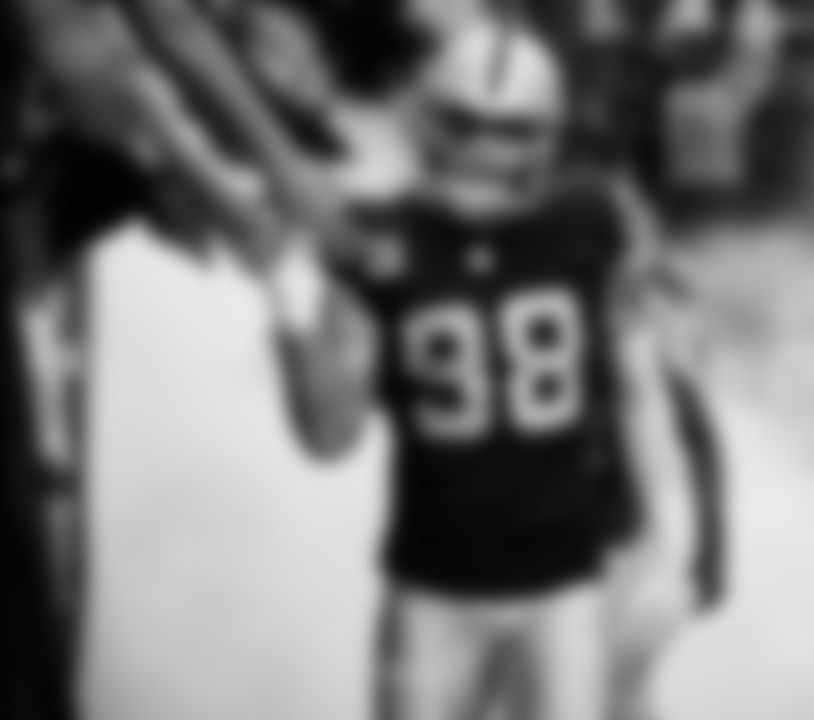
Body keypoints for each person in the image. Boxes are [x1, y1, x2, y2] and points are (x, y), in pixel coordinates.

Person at [257, 18, 698, 720]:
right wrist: (286, 302)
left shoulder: (591, 220)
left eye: (509, 130)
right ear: (429, 123)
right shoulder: (378, 238)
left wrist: (671, 548)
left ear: (546, 136)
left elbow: (645, 395)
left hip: (561, 582)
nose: (484, 151)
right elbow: (330, 434)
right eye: (466, 125)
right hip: (436, 584)